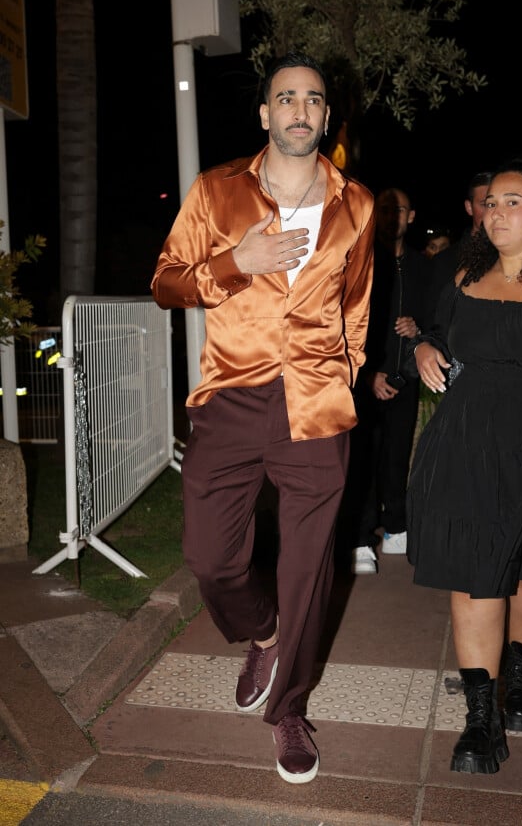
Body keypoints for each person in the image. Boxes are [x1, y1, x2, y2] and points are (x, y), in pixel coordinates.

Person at [150, 51, 375, 784]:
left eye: (313, 99)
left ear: (326, 116)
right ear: (265, 114)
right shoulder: (217, 192)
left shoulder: (358, 204)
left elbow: (356, 306)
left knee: (310, 570)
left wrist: (346, 371)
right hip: (232, 396)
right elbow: (165, 283)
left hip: (316, 404)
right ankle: (262, 630)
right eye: (286, 98)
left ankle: (289, 710)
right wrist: (235, 262)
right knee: (210, 558)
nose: (299, 110)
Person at [407, 156, 522, 775]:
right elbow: (429, 335)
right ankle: (481, 718)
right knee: (475, 575)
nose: (496, 212)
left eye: (513, 201)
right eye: (491, 202)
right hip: (467, 447)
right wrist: (424, 348)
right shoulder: (462, 276)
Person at [349, 187, 429, 574]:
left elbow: (439, 323)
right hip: (364, 380)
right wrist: (366, 375)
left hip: (405, 379)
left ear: (410, 216)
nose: (391, 215)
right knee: (363, 458)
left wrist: (419, 329)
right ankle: (362, 539)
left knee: (398, 457)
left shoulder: (422, 266)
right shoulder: (359, 261)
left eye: (398, 208)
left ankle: (397, 527)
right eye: (383, 209)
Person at [423, 171, 493, 332]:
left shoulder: (516, 256)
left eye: (495, 204)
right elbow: (433, 321)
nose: (492, 211)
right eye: (485, 204)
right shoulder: (445, 261)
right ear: (469, 207)